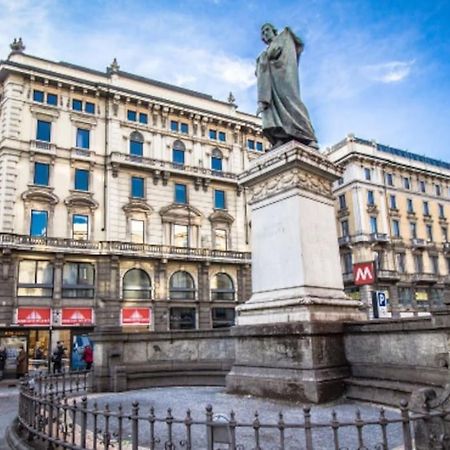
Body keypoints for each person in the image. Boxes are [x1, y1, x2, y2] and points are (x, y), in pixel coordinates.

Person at [256, 23, 318, 149]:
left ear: (274, 30)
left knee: (291, 102)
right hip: (271, 84)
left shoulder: (284, 38)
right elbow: (261, 69)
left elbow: (297, 45)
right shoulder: (266, 52)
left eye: (267, 30)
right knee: (272, 109)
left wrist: (289, 34)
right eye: (263, 33)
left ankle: (309, 137)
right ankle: (281, 136)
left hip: (284, 79)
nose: (265, 34)